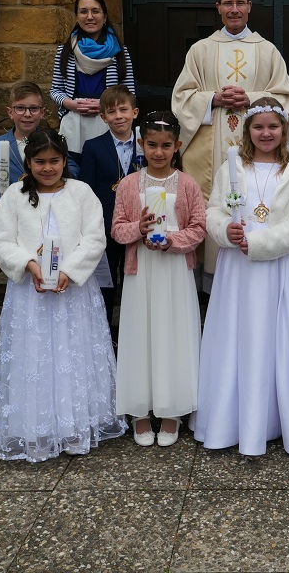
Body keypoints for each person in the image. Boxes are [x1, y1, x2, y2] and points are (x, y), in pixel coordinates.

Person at [0, 128, 126, 462]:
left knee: (71, 354)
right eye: (40, 161)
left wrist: (70, 270)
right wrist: (28, 264)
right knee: (35, 357)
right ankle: (38, 429)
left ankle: (74, 426)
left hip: (73, 292)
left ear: (65, 161)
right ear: (28, 162)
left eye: (54, 161)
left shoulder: (81, 192)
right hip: (30, 294)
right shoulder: (15, 195)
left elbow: (95, 238)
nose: (47, 168)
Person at [194, 98, 289, 457]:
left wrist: (260, 243)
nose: (266, 133)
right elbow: (213, 210)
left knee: (281, 341)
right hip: (239, 270)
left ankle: (282, 421)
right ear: (247, 130)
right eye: (258, 127)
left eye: (273, 126)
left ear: (284, 128)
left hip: (283, 267)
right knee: (240, 338)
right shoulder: (232, 166)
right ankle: (232, 422)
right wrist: (225, 230)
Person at [172, 0, 289, 285]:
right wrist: (213, 99)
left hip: (257, 147)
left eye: (240, 3)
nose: (234, 9)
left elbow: (285, 97)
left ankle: (257, 264)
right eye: (228, 3)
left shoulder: (267, 50)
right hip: (210, 148)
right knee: (213, 205)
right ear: (218, 8)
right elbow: (181, 97)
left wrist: (251, 98)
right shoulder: (200, 50)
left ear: (249, 7)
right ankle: (210, 282)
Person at [111, 111, 206, 448]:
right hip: (142, 269)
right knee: (141, 334)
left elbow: (199, 227)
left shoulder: (188, 184)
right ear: (141, 144)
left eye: (166, 145)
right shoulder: (129, 184)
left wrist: (172, 241)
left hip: (174, 269)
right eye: (152, 145)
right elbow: (117, 228)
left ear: (177, 146)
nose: (159, 152)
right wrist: (138, 228)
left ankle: (172, 408)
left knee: (172, 334)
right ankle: (139, 410)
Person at [79, 85, 140, 324]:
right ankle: (105, 333)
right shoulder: (93, 147)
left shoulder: (146, 145)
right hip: (105, 227)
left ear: (134, 112)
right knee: (105, 284)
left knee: (134, 283)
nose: (118, 116)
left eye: (123, 110)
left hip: (137, 227)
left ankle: (131, 332)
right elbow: (88, 190)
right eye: (111, 112)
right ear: (103, 117)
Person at [50, 0, 136, 156]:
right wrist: (71, 104)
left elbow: (129, 93)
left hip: (107, 121)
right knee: (73, 166)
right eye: (83, 11)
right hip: (74, 124)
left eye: (95, 11)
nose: (89, 17)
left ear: (104, 17)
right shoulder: (65, 51)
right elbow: (55, 90)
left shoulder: (119, 52)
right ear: (77, 17)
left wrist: (105, 105)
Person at [0, 82, 66, 214]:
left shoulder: (53, 141)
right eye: (20, 108)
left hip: (48, 208)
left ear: (42, 112)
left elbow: (71, 170)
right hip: (13, 211)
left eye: (34, 108)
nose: (27, 114)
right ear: (10, 112)